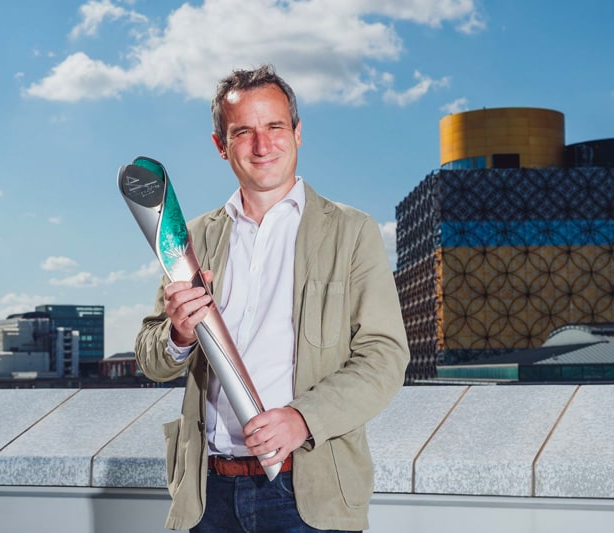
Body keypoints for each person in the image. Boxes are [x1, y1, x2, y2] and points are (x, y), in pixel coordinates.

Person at [136, 64, 409, 532]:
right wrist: (179, 333)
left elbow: (384, 357)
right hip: (206, 496)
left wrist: (303, 418)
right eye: (243, 132)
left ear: (297, 133)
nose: (262, 146)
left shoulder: (351, 231)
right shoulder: (192, 237)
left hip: (307, 491)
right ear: (221, 146)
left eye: (275, 127)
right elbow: (150, 358)